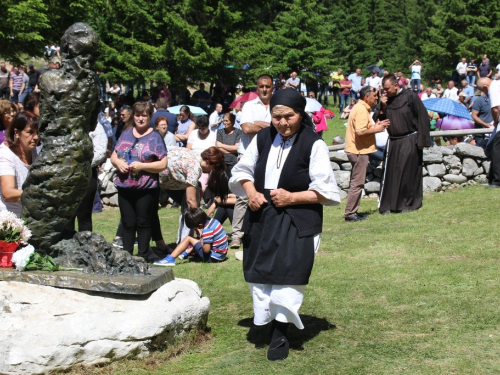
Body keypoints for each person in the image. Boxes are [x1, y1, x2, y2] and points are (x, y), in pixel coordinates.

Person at [229, 88, 340, 362]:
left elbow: (326, 191)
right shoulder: (263, 138)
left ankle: (280, 333)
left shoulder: (314, 144)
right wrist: (252, 192)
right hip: (263, 215)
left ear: (300, 114)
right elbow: (242, 170)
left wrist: (293, 197)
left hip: (298, 219)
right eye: (276, 117)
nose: (282, 123)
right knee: (261, 272)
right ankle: (266, 320)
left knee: (288, 275)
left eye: (288, 117)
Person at [110, 102, 167, 262]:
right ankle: (127, 256)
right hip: (125, 186)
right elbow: (114, 154)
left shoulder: (155, 137)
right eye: (138, 115)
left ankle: (143, 255)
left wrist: (143, 166)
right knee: (128, 223)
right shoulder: (126, 133)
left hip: (146, 187)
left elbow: (163, 164)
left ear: (149, 117)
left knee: (143, 222)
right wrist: (118, 163)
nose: (140, 118)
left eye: (144, 115)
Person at [375, 74, 431, 214]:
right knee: (391, 174)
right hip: (393, 141)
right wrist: (382, 105)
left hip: (409, 140)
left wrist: (422, 141)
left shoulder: (410, 97)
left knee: (407, 173)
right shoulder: (386, 100)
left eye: (387, 89)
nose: (385, 91)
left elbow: (422, 117)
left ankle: (406, 204)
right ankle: (388, 205)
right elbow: (379, 118)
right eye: (384, 89)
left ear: (396, 85)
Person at [230, 74, 273, 250]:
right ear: (257, 88)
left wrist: (259, 124)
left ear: (272, 88)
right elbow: (247, 128)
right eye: (261, 86)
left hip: (269, 156)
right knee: (242, 196)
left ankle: (262, 231)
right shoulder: (249, 105)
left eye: (267, 86)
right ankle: (237, 235)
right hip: (248, 155)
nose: (264, 89)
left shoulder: (277, 106)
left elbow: (281, 128)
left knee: (266, 193)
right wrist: (270, 126)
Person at [159, 146, 228, 243]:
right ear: (208, 163)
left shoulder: (196, 154)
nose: (211, 171)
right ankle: (185, 241)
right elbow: (190, 200)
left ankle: (183, 240)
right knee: (190, 207)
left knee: (195, 192)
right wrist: (198, 223)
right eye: (213, 168)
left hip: (167, 176)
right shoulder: (195, 168)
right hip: (160, 178)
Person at [344, 86, 390, 222]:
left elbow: (363, 128)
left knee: (357, 182)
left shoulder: (360, 108)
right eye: (374, 95)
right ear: (366, 97)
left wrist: (376, 126)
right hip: (358, 151)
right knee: (357, 183)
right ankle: (350, 214)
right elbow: (360, 131)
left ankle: (353, 212)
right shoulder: (361, 110)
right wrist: (377, 129)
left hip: (358, 150)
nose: (376, 98)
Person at [64, 120, 107, 237]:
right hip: (66, 174)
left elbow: (100, 151)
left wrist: (80, 164)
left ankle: (86, 247)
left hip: (87, 173)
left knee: (84, 216)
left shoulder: (96, 126)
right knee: (67, 216)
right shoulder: (67, 122)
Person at [154, 207, 228, 266]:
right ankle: (186, 253)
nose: (196, 230)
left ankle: (170, 259)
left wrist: (201, 239)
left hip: (214, 257)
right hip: (222, 255)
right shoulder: (213, 221)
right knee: (197, 239)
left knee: (189, 238)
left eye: (195, 227)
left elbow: (206, 250)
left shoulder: (207, 230)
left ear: (200, 225)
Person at [0, 111, 39, 217]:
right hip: (9, 223)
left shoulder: (33, 151)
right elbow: (8, 193)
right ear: (16, 133)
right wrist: (39, 192)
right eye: (30, 132)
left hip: (29, 217)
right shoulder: (5, 155)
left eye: (37, 132)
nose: (35, 137)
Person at [477, 78, 500, 187]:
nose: (485, 93)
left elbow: (495, 108)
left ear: (485, 87)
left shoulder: (493, 88)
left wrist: (496, 121)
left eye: (484, 91)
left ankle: (496, 180)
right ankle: (491, 177)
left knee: (496, 150)